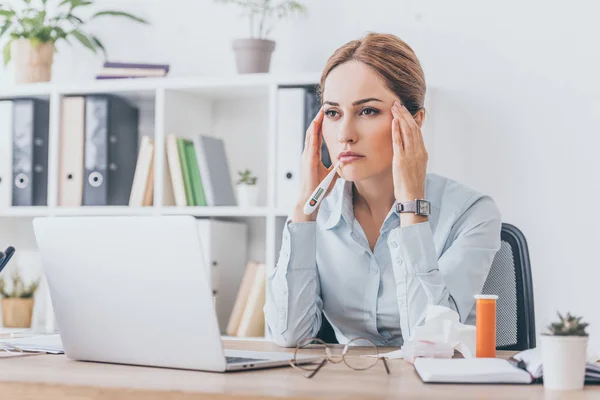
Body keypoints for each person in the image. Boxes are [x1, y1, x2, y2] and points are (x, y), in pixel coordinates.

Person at [265, 32, 502, 347]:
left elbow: (431, 342)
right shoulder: (318, 214)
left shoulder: (472, 213)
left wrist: (412, 210)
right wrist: (303, 215)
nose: (345, 134)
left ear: (414, 121)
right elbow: (288, 336)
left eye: (367, 111)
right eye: (333, 113)